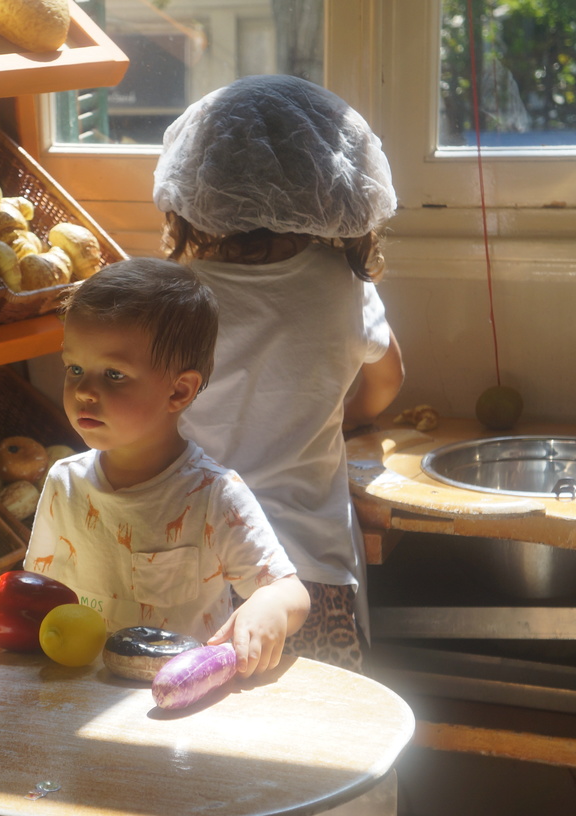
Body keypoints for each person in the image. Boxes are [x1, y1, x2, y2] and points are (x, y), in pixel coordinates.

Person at [153, 74, 406, 672]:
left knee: (192, 714)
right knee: (314, 722)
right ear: (333, 184)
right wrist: (346, 418)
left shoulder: (172, 296)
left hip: (192, 565)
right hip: (305, 573)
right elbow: (388, 378)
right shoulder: (341, 286)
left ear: (196, 183)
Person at [24, 258, 310, 678]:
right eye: (75, 368)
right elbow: (39, 594)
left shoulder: (214, 494)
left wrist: (270, 604)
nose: (84, 390)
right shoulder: (64, 482)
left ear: (179, 391)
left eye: (114, 374)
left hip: (179, 698)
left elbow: (290, 591)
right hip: (80, 693)